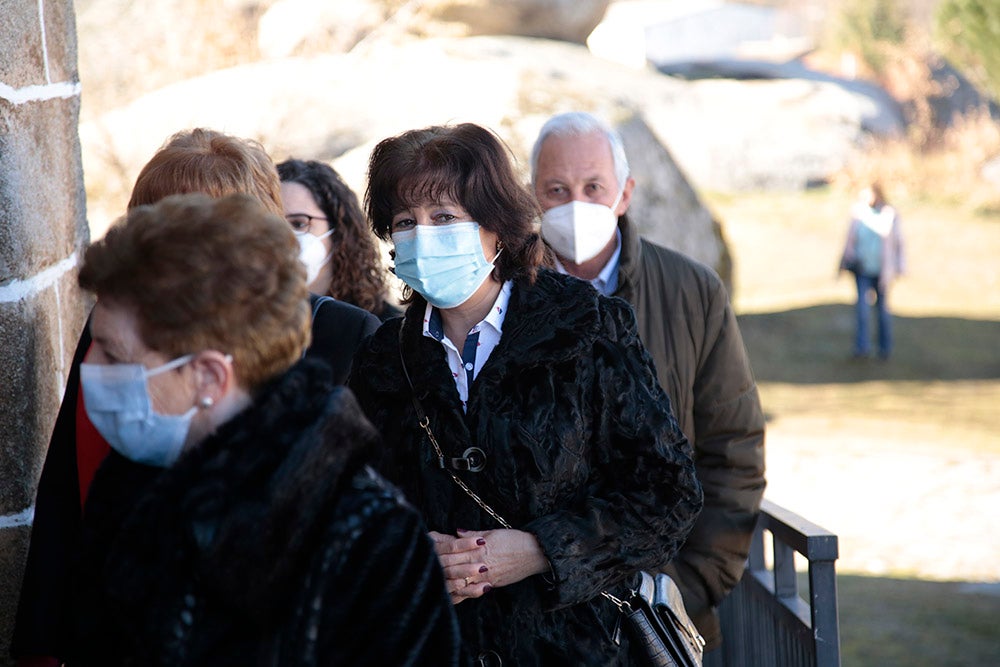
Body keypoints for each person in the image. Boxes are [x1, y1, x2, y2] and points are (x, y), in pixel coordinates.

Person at [12, 128, 378, 666]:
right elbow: (69, 491)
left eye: (197, 225)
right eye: (157, 221)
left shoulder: (344, 335)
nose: (172, 245)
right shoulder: (116, 328)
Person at [348, 122, 703, 666]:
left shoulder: (588, 327)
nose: (423, 236)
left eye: (444, 217)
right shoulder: (381, 358)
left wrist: (542, 549)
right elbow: (351, 506)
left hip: (577, 648)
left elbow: (667, 492)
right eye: (405, 222)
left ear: (495, 228)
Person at [59, 192, 463, 665]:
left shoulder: (369, 539)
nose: (90, 366)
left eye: (112, 352)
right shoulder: (130, 483)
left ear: (208, 377)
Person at [530, 111, 767, 655]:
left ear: (625, 193)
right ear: (531, 197)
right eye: (556, 189)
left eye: (594, 187)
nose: (575, 204)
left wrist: (691, 581)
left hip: (661, 615)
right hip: (541, 617)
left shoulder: (692, 292)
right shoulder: (505, 297)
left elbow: (732, 446)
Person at [277, 158, 401, 320]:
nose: (282, 236)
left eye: (299, 223)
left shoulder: (382, 327)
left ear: (339, 229)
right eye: (272, 222)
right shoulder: (248, 321)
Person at [839, 182, 905, 359]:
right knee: (862, 310)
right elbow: (849, 240)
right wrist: (843, 261)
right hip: (862, 270)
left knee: (882, 311)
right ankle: (862, 347)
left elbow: (899, 242)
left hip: (882, 271)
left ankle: (885, 348)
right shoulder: (858, 213)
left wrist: (900, 266)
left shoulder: (889, 214)